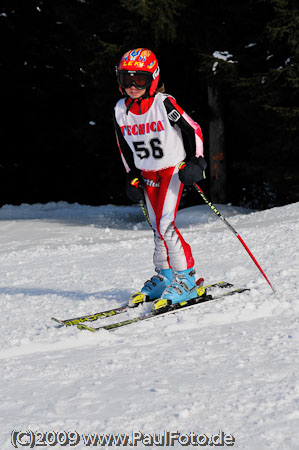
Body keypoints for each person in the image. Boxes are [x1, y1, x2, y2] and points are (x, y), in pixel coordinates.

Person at [113, 48, 206, 311]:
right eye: (126, 79)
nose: (132, 86)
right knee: (156, 225)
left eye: (139, 80)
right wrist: (131, 174)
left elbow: (194, 129)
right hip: (147, 173)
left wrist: (197, 163)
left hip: (172, 171)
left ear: (152, 79)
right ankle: (165, 276)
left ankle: (186, 279)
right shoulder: (120, 110)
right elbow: (123, 145)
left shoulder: (163, 103)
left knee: (166, 224)